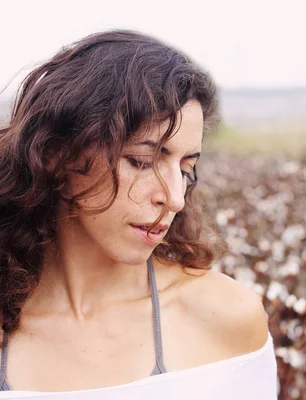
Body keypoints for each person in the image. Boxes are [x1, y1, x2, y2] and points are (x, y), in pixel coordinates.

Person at [0, 30, 277, 399]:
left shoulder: (224, 317)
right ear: (55, 155)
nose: (175, 198)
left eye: (185, 168)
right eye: (143, 161)